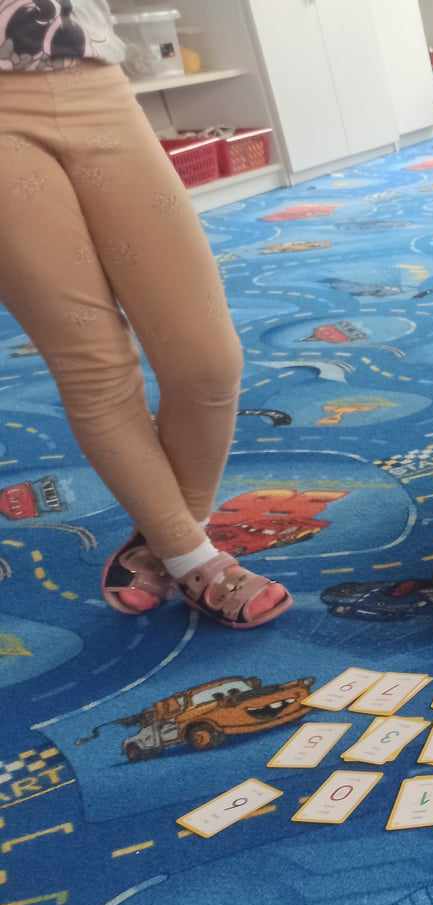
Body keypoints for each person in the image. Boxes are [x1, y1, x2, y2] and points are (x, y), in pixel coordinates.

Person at [0, 0, 289, 628]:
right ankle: (192, 558)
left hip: (96, 78)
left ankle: (162, 539)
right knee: (94, 362)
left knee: (208, 360)